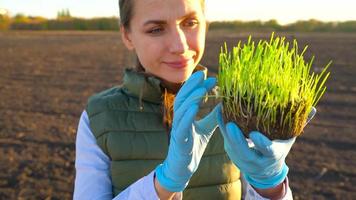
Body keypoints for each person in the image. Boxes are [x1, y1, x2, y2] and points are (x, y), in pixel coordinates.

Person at [74, 0, 315, 199]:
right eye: (156, 29)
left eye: (190, 23)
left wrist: (271, 186)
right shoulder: (99, 116)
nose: (180, 45)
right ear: (127, 35)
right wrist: (163, 184)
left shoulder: (237, 105)